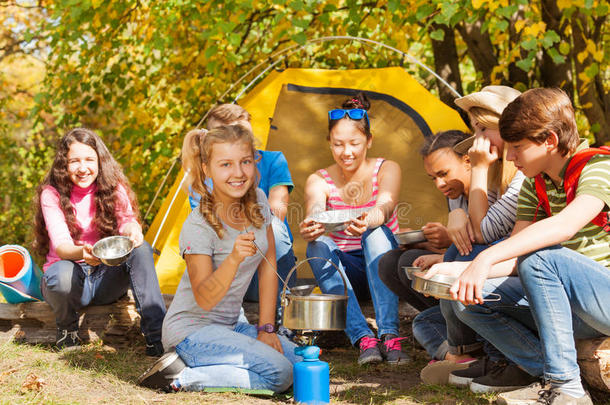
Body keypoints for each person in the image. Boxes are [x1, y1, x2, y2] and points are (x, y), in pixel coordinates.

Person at [427, 88, 610, 404]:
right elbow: (516, 253)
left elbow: (564, 226)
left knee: (538, 257)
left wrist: (484, 260)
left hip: (602, 300)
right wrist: (460, 270)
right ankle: (551, 376)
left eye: (518, 148)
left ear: (549, 141)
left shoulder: (598, 167)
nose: (509, 157)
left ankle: (566, 389)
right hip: (569, 307)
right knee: (469, 298)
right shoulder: (534, 184)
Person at [139, 124, 299, 393]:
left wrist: (267, 328)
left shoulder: (259, 199)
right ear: (206, 168)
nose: (238, 173)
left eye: (245, 162)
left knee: (303, 364)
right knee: (281, 374)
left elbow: (269, 267)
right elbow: (205, 298)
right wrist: (234, 259)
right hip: (190, 331)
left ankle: (213, 367)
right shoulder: (198, 225)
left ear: (254, 161)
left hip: (230, 326)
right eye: (225, 164)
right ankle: (181, 376)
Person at [413, 86, 526, 385]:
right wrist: (457, 213)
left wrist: (476, 170)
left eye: (481, 129)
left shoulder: (522, 175)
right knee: (422, 318)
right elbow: (480, 230)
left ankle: (480, 356)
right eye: (474, 130)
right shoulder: (497, 172)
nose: (477, 141)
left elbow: (482, 233)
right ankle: (468, 354)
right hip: (500, 268)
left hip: (524, 274)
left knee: (459, 258)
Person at [32, 128, 166, 355]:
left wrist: (133, 230)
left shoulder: (113, 188)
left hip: (105, 279)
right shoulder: (51, 194)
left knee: (142, 249)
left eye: (89, 160)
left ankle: (157, 338)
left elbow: (127, 222)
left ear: (100, 161)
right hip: (68, 282)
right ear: (63, 164)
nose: (82, 168)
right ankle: (68, 331)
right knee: (63, 272)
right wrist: (82, 253)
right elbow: (62, 246)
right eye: (74, 161)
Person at [299, 92, 408, 365]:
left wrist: (370, 218)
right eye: (338, 144)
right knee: (317, 246)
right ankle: (363, 338)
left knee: (376, 232)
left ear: (368, 141)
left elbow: (386, 204)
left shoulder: (387, 168)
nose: (346, 152)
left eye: (354, 143)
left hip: (384, 269)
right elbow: (315, 208)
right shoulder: (319, 179)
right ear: (329, 144)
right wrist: (313, 224)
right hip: (346, 274)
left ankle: (390, 335)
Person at [188, 104, 296, 307]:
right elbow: (208, 230)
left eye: (248, 133)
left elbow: (277, 210)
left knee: (275, 228)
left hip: (268, 265)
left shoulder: (273, 160)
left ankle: (281, 306)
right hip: (229, 275)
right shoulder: (202, 177)